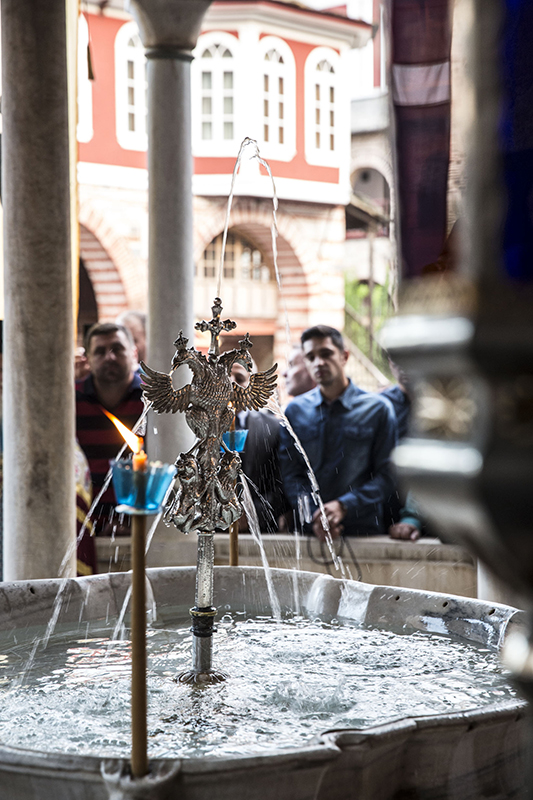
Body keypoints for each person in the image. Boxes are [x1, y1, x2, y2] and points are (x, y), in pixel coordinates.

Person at [279, 325, 397, 539]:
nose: (319, 362)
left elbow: (388, 476)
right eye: (311, 357)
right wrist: (313, 516)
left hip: (363, 532)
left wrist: (344, 506)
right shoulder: (296, 411)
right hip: (312, 534)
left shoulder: (377, 409)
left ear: (344, 356)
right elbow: (292, 474)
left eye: (326, 354)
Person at [76, 322, 144, 536]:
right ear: (88, 359)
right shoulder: (70, 399)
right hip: (82, 528)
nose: (110, 357)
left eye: (117, 349)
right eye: (100, 351)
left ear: (133, 353)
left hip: (142, 527)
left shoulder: (151, 399)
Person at [230, 362, 287, 531]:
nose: (231, 383)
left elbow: (282, 482)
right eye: (225, 378)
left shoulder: (273, 428)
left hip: (262, 529)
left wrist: (254, 515)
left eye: (239, 379)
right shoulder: (200, 429)